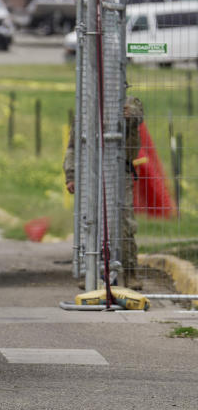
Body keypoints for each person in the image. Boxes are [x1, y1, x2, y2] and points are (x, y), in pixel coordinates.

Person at [64, 95, 144, 288]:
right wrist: (71, 174)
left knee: (124, 221)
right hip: (92, 171)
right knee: (92, 222)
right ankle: (94, 272)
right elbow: (73, 145)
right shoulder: (87, 102)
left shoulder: (129, 101)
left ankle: (130, 272)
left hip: (120, 170)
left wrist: (129, 116)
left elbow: (139, 117)